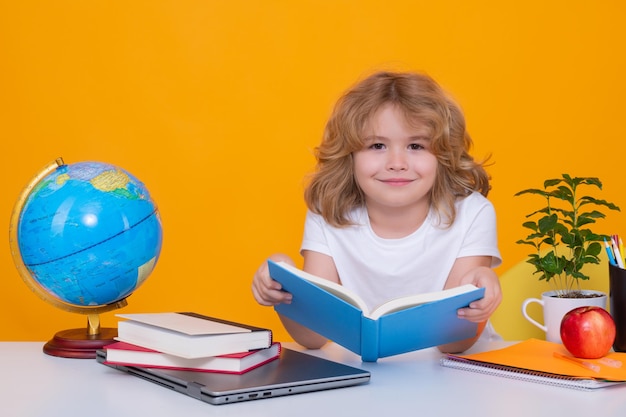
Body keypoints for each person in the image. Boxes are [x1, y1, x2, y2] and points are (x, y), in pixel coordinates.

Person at [251, 70, 502, 353]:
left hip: (459, 374)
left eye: (416, 145)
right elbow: (312, 337)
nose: (397, 162)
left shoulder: (472, 213)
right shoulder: (329, 211)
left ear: (442, 154)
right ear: (350, 155)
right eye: (377, 145)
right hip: (366, 379)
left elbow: (453, 343)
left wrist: (481, 291)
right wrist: (284, 285)